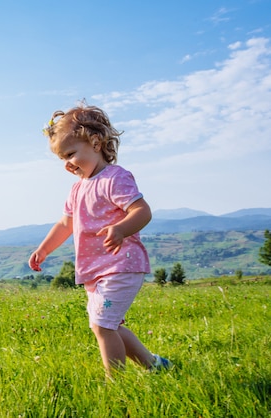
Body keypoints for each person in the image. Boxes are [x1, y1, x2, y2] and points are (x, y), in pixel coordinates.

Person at [28, 102, 172, 376]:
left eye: (70, 154)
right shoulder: (77, 189)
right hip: (95, 271)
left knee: (103, 326)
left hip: (120, 266)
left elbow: (142, 211)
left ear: (95, 143)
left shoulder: (115, 179)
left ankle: (115, 385)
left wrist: (120, 229)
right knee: (108, 325)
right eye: (62, 159)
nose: (67, 164)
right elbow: (65, 223)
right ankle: (155, 366)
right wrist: (43, 249)